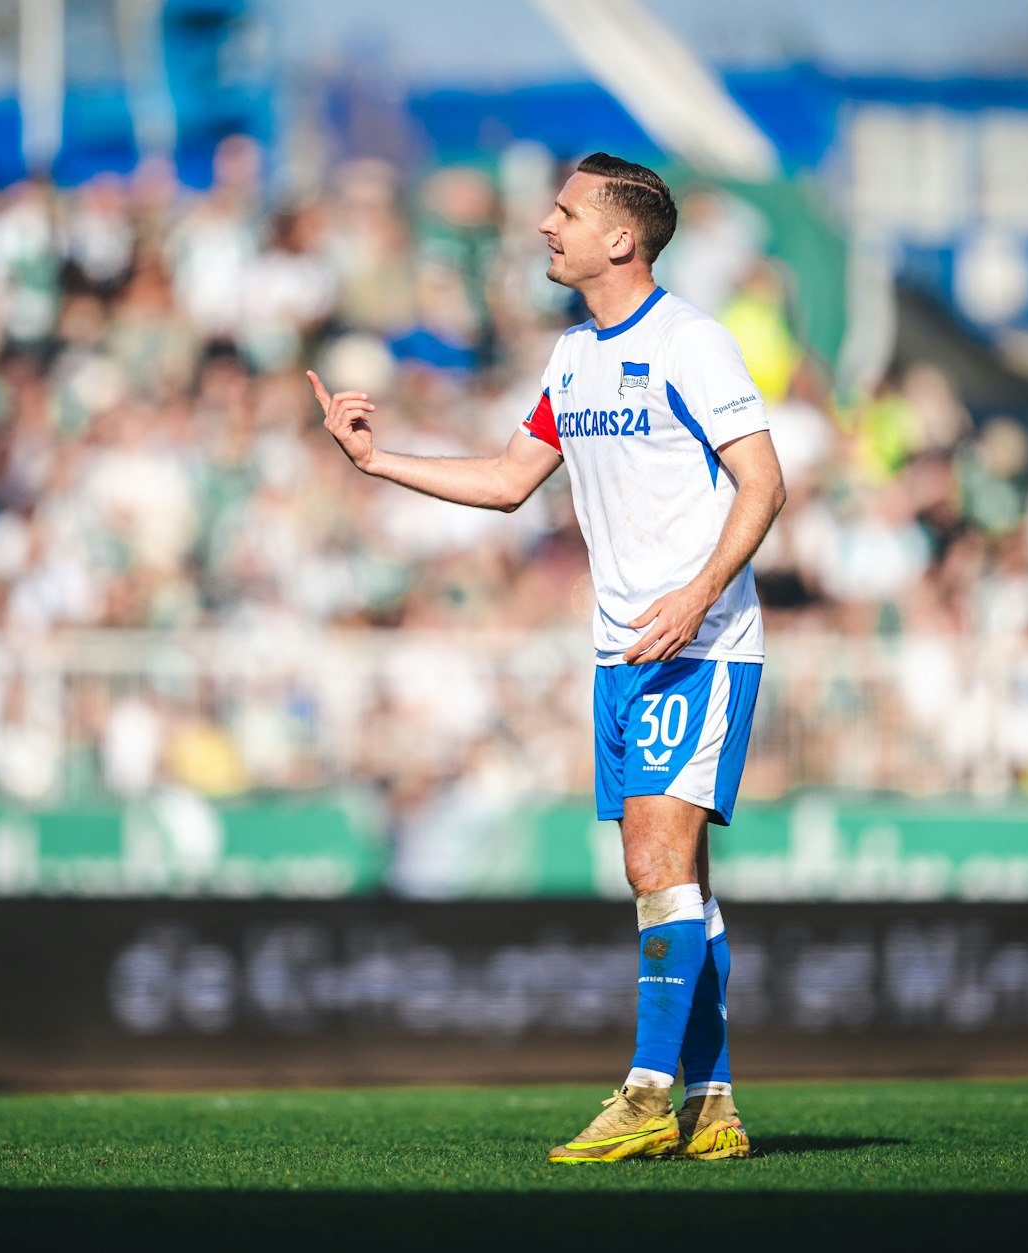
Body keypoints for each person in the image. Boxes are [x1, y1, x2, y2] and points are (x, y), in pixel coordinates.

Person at [309, 153, 785, 1162]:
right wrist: (375, 459)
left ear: (620, 236)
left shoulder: (691, 343)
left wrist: (694, 596)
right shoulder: (572, 358)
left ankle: (647, 1093)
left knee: (652, 859)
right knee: (678, 877)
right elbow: (505, 478)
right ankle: (711, 1103)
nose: (542, 226)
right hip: (622, 650)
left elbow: (762, 484)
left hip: (697, 644)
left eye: (563, 212)